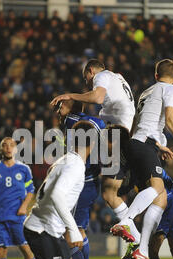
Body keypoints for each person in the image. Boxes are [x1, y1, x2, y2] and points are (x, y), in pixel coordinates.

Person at [110, 59, 173, 259]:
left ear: (155, 75)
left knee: (159, 199)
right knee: (158, 187)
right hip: (143, 145)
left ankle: (142, 251)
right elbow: (170, 119)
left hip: (137, 144)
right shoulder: (170, 89)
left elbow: (140, 124)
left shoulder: (146, 92)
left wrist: (158, 146)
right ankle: (126, 220)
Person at [50, 59, 136, 238]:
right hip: (123, 134)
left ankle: (137, 238)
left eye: (86, 78)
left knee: (108, 197)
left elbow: (97, 97)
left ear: (91, 71)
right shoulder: (117, 78)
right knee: (108, 195)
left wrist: (71, 95)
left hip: (117, 139)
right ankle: (136, 238)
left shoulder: (102, 76)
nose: (87, 83)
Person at [22, 120, 96, 259]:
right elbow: (56, 195)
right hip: (44, 230)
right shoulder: (76, 165)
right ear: (92, 143)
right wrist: (73, 230)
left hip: (46, 228)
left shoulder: (64, 159)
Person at [56, 100, 105, 259]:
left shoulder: (74, 120)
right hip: (87, 183)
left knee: (71, 235)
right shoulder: (70, 122)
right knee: (79, 232)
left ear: (72, 108)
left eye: (62, 106)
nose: (58, 109)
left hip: (82, 184)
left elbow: (98, 125)